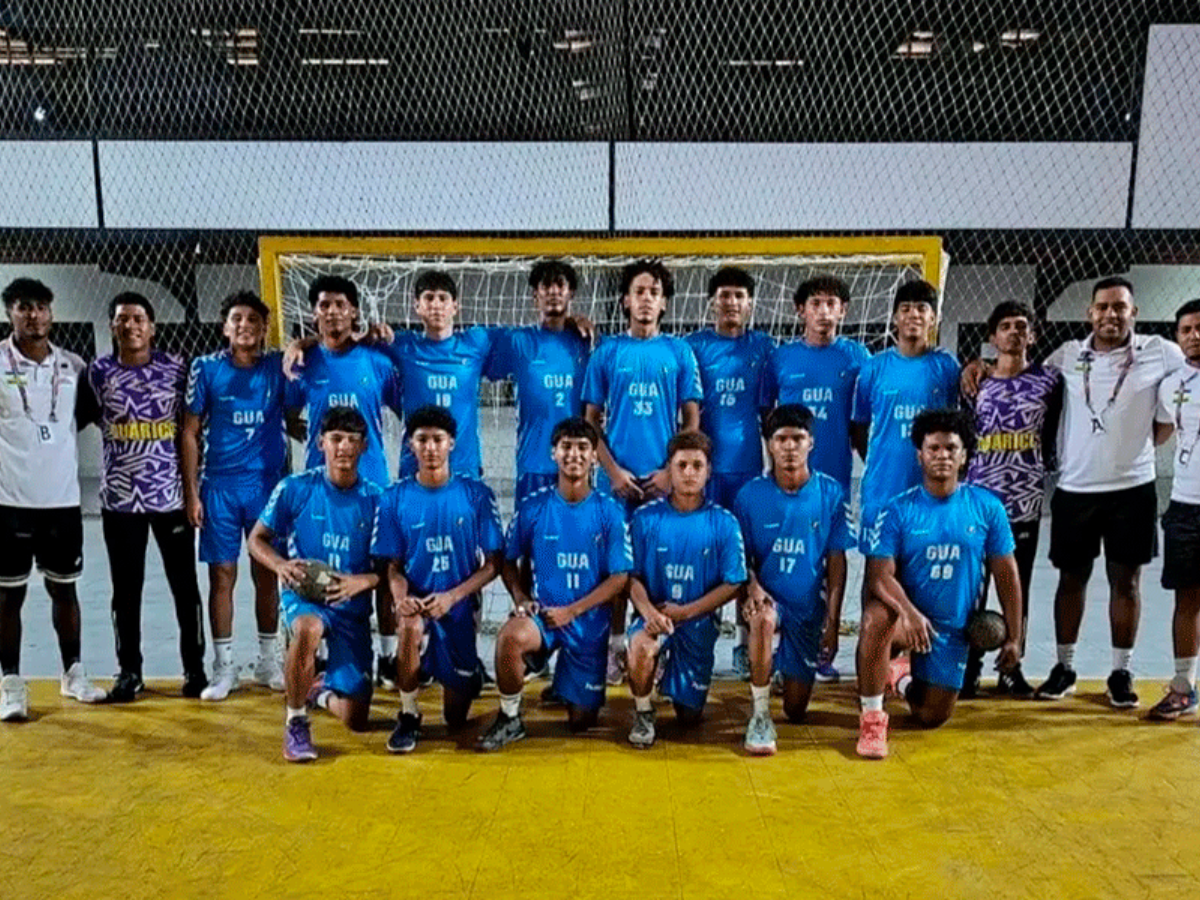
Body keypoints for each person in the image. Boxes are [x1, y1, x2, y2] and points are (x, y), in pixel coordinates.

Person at [1033, 276, 1182, 707]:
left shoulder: (1159, 351)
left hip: (1132, 489)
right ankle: (1064, 667)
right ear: (1090, 313)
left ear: (1133, 312)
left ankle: (1121, 671)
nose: (1111, 314)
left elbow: (1180, 391)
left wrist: (1148, 442)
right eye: (1103, 307)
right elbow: (1025, 383)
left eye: (1120, 307)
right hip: (1075, 487)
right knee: (1070, 579)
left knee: (1127, 583)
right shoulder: (1067, 355)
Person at [856, 409, 1021, 759]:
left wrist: (1015, 637)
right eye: (933, 448)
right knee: (875, 619)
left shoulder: (987, 508)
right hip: (908, 620)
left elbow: (1006, 574)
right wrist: (909, 614)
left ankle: (899, 676)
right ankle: (872, 718)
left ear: (963, 455)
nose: (942, 456)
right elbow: (878, 574)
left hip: (952, 628)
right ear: (920, 455)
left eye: (950, 448)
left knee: (931, 716)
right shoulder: (898, 509)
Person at [477, 418, 632, 750]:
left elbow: (620, 577)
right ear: (553, 453)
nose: (573, 454)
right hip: (544, 617)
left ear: (594, 457)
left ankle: (567, 677)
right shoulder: (533, 507)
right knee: (510, 637)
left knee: (581, 723)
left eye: (582, 448)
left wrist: (573, 611)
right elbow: (506, 559)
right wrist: (520, 597)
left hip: (587, 624)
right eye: (566, 447)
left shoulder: (610, 512)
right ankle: (509, 717)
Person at [582, 259, 703, 684]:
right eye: (639, 292)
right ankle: (616, 646)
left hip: (660, 481)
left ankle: (663, 643)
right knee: (616, 567)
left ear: (664, 302)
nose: (646, 299)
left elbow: (691, 421)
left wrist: (671, 472)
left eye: (654, 292)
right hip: (617, 482)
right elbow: (590, 423)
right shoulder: (607, 353)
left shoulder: (679, 351)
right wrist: (613, 472)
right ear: (626, 301)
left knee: (659, 565)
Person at [284, 274, 402, 689]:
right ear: (314, 313)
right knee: (317, 570)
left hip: (373, 486)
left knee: (384, 570)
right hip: (322, 492)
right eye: (323, 305)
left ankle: (387, 656)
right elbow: (286, 414)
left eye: (339, 304)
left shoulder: (378, 362)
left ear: (353, 311)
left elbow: (407, 409)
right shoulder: (303, 364)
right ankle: (310, 655)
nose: (332, 312)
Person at [89, 292, 207, 702]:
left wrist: (193, 493)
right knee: (126, 589)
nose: (131, 325)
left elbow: (190, 431)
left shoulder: (176, 369)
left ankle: (195, 669)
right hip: (120, 500)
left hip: (169, 495)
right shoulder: (99, 371)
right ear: (112, 326)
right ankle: (130, 671)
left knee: (184, 586)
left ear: (152, 327)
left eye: (139, 318)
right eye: (122, 319)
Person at [248, 407, 383, 762]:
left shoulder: (376, 499)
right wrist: (280, 564)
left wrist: (362, 581)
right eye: (336, 439)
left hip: (351, 609)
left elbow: (392, 567)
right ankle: (296, 722)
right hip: (305, 598)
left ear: (364, 447)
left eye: (352, 440)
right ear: (321, 442)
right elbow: (256, 539)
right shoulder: (295, 488)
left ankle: (319, 691)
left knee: (356, 718)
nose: (344, 448)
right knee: (307, 628)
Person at [0, 278, 106, 720]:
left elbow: (83, 420)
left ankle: (73, 673)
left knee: (65, 590)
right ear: (10, 313)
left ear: (52, 313)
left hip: (61, 502)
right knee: (8, 598)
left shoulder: (74, 367)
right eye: (24, 307)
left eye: (41, 306)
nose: (34, 315)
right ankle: (10, 683)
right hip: (8, 501)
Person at [758, 273, 871, 682]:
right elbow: (767, 416)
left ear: (843, 311)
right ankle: (763, 644)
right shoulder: (780, 358)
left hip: (833, 478)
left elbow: (861, 422)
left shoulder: (858, 359)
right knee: (778, 559)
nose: (824, 311)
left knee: (827, 562)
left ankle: (820, 644)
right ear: (800, 310)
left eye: (832, 304)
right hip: (784, 484)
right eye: (816, 303)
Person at [372, 406, 504, 753]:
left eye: (437, 440)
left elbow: (493, 565)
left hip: (458, 606)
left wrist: (453, 597)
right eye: (422, 440)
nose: (430, 448)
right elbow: (393, 568)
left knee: (455, 719)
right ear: (410, 446)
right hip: (418, 599)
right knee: (410, 627)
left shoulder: (476, 495)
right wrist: (402, 599)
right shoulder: (394, 497)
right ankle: (409, 714)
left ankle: (466, 672)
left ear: (451, 444)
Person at [182, 290, 288, 701]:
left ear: (264, 330)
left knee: (268, 572)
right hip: (221, 487)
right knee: (222, 575)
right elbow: (189, 432)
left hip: (266, 486)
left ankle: (267, 660)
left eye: (253, 321)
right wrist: (193, 492)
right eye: (237, 319)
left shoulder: (277, 368)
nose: (245, 326)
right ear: (225, 326)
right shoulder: (206, 369)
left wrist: (302, 343)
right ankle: (223, 667)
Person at [733, 405, 853, 755]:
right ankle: (759, 714)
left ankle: (786, 667)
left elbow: (836, 561)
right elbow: (741, 559)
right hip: (767, 599)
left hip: (805, 607)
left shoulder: (830, 494)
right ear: (769, 445)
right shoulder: (750, 495)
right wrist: (752, 585)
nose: (789, 447)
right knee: (762, 618)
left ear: (811, 443)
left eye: (797, 439)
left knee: (797, 710)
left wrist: (832, 620)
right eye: (781, 439)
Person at [962, 301, 1062, 698]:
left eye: (1022, 326)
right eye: (1005, 326)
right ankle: (966, 670)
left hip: (1024, 500)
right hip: (980, 497)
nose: (1015, 332)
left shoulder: (1050, 381)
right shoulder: (975, 383)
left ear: (1033, 335)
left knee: (1015, 585)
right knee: (972, 588)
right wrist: (973, 364)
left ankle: (1010, 666)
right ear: (992, 337)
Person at [624, 431, 747, 748]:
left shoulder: (724, 523)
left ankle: (671, 670)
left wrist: (688, 611)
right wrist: (649, 613)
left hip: (697, 623)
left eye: (697, 465)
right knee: (641, 647)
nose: (689, 473)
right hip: (655, 617)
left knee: (689, 718)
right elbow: (630, 578)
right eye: (681, 465)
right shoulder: (644, 518)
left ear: (708, 471)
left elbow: (734, 582)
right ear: (669, 470)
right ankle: (643, 711)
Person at [851, 280, 960, 552]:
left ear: (933, 318)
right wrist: (884, 460)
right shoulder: (873, 368)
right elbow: (859, 426)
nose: (913, 315)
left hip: (930, 491)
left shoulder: (947, 367)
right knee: (876, 576)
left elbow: (958, 425)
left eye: (922, 309)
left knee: (924, 576)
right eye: (906, 308)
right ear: (895, 318)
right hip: (883, 490)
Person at [486, 260, 592, 505]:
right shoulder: (518, 342)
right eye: (546, 286)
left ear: (571, 293)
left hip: (578, 464)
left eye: (560, 285)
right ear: (535, 295)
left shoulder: (588, 343)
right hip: (533, 464)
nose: (554, 292)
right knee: (531, 540)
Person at [384, 270, 497, 479]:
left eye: (443, 298)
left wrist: (571, 323)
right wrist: (305, 343)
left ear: (455, 306)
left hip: (463, 467)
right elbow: (350, 344)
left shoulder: (476, 343)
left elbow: (527, 338)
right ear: (417, 306)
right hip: (414, 467)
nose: (436, 305)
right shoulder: (402, 345)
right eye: (428, 298)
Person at [1146, 299, 1200, 720]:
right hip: (1185, 503)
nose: (1194, 336)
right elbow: (1161, 433)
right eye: (1186, 330)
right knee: (1187, 599)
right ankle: (1184, 687)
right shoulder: (1171, 385)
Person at [684, 266, 773, 509]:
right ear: (712, 303)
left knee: (747, 540)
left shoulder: (764, 347)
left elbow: (769, 412)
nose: (731, 302)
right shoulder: (692, 346)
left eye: (739, 295)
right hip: (705, 464)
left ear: (750, 304)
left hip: (749, 463)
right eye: (724, 295)